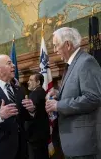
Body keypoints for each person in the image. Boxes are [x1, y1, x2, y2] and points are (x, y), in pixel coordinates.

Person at [45, 27, 101, 159]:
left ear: (68, 44)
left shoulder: (86, 62)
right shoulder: (73, 63)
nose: (54, 50)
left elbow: (93, 98)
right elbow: (79, 92)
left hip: (84, 145)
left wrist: (58, 105)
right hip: (74, 144)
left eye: (56, 45)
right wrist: (59, 94)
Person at [0, 54, 35, 159]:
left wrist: (31, 110)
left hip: (21, 149)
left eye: (12, 63)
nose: (14, 66)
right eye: (9, 63)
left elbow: (23, 117)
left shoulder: (19, 90)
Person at [25, 73, 50, 159]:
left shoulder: (35, 94)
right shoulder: (42, 92)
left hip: (35, 137)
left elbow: (30, 116)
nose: (28, 82)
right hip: (42, 136)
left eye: (31, 80)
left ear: (38, 82)